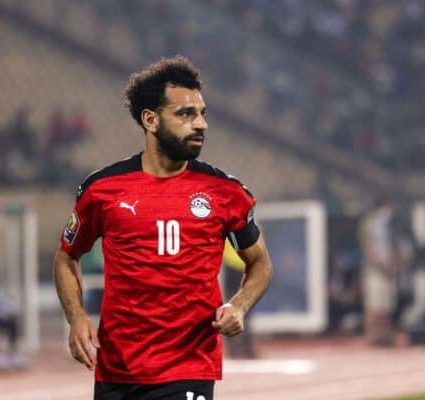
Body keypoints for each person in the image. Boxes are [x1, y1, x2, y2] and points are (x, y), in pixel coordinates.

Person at [53, 56, 272, 400]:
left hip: (188, 368)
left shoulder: (225, 192)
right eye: (186, 114)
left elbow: (260, 262)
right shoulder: (102, 190)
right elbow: (67, 257)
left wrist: (240, 305)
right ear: (150, 120)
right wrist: (76, 317)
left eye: (202, 113)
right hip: (116, 371)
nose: (200, 124)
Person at [360, 199, 397, 346]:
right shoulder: (367, 225)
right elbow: (368, 248)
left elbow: (394, 247)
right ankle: (371, 336)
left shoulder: (389, 226)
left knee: (386, 306)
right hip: (374, 271)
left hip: (388, 271)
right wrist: (381, 264)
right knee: (374, 305)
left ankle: (385, 337)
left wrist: (393, 264)